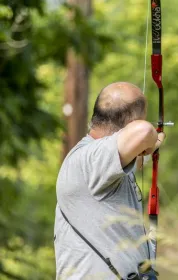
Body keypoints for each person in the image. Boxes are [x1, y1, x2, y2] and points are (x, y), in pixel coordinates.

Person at [54, 82, 165, 279]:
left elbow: (136, 159)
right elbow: (144, 132)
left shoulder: (108, 165)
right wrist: (151, 139)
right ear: (132, 123)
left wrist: (151, 147)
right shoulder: (90, 158)